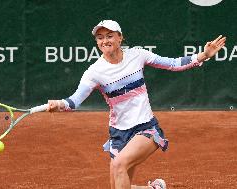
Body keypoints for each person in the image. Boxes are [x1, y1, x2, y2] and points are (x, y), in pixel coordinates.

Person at [46, 20, 226, 189]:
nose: (104, 40)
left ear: (120, 37)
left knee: (119, 165)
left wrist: (203, 55)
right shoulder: (94, 72)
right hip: (118, 134)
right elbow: (74, 100)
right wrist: (60, 104)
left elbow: (172, 64)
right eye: (100, 37)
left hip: (145, 127)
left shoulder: (138, 55)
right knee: (118, 185)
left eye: (109, 36)